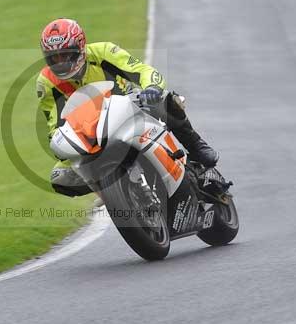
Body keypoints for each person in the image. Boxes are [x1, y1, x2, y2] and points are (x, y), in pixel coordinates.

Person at [36, 18, 220, 197]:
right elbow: (55, 124)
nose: (61, 63)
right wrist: (61, 145)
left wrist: (152, 88)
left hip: (128, 108)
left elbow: (142, 70)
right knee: (60, 177)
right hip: (90, 136)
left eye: (66, 55)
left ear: (81, 47)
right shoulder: (46, 83)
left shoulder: (104, 51)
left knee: (166, 100)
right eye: (54, 58)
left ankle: (195, 145)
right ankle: (111, 191)